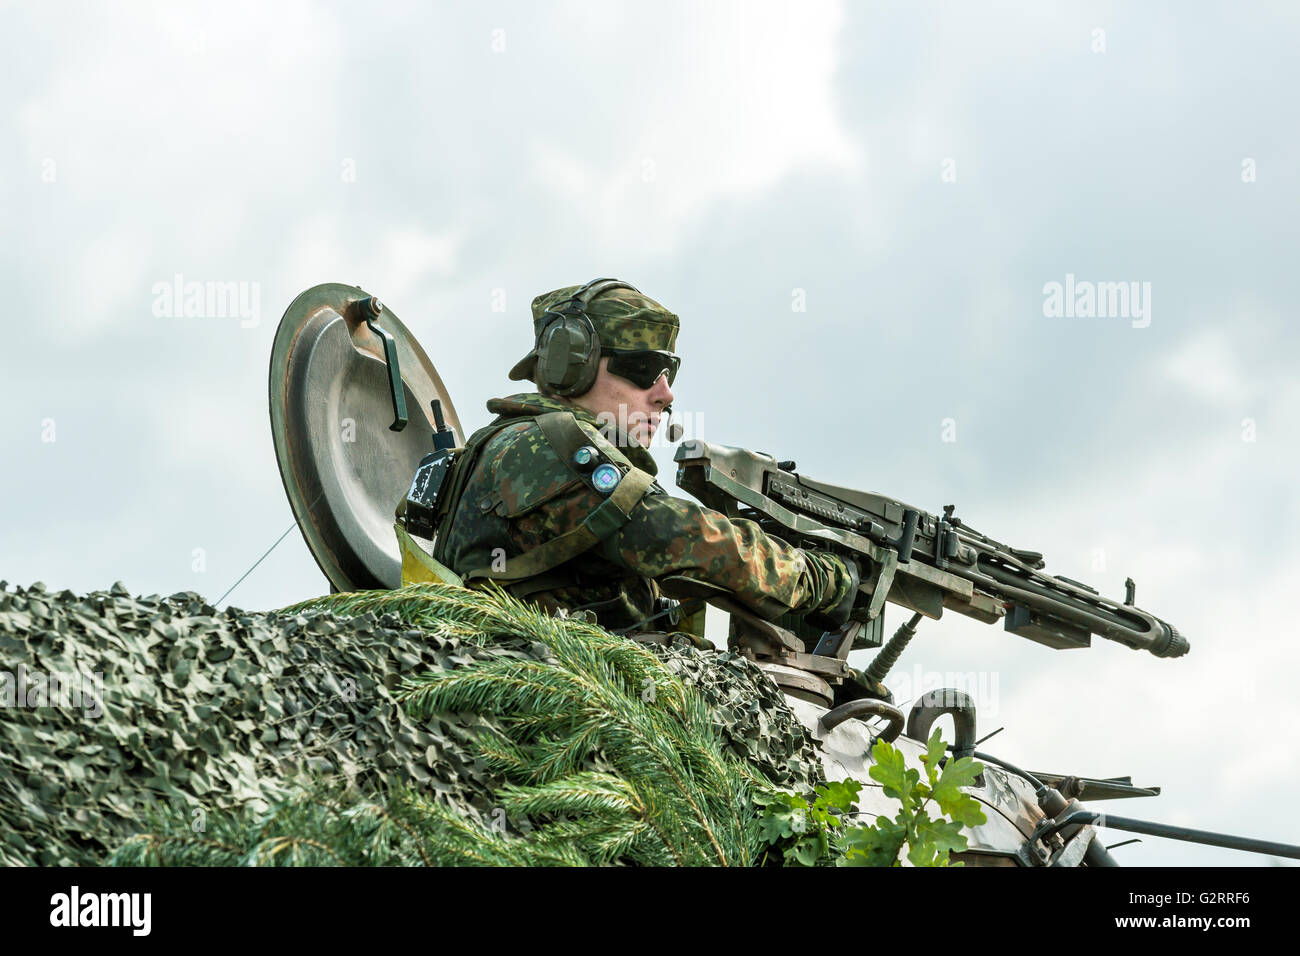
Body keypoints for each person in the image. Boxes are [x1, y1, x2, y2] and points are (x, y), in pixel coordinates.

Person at [431, 278, 860, 638]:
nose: (665, 394)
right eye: (644, 370)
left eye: (669, 373)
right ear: (571, 364)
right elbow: (687, 540)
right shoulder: (545, 448)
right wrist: (823, 578)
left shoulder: (508, 442)